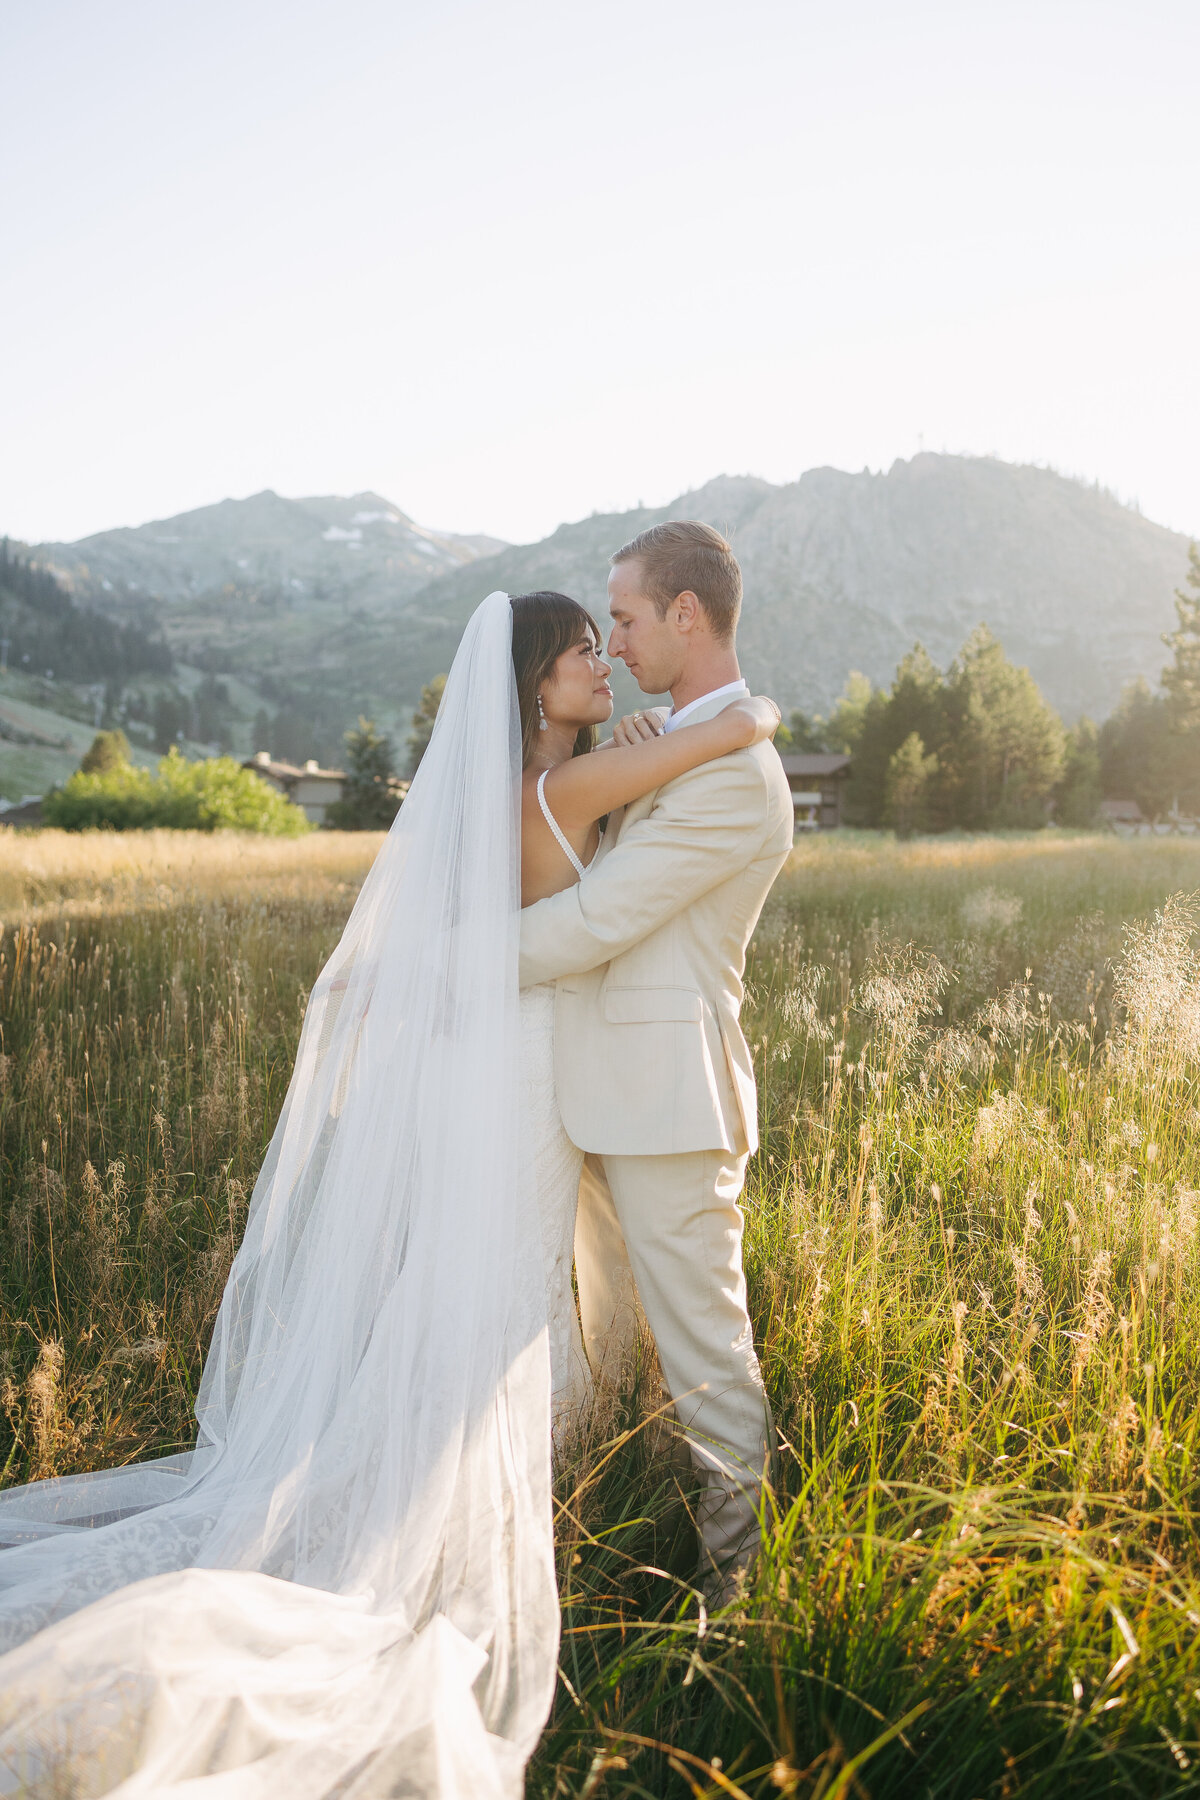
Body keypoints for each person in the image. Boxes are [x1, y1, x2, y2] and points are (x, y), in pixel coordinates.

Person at [0, 583, 779, 1799]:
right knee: (499, 1280)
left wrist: (635, 746)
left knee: (486, 1276)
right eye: (585, 652)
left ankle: (487, 1459)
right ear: (533, 681)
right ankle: (451, 1503)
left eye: (607, 642)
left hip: (515, 1061)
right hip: (527, 1065)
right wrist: (741, 718)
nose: (605, 664)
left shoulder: (526, 789)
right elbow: (724, 739)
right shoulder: (559, 788)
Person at [518, 521, 795, 1600]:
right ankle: (618, 1528)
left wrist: (443, 963)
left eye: (627, 618)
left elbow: (599, 924)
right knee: (609, 1343)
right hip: (598, 1092)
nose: (617, 641)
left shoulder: (735, 773)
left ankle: (740, 1595)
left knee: (707, 1356)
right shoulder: (680, 743)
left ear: (688, 614)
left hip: (670, 1103)